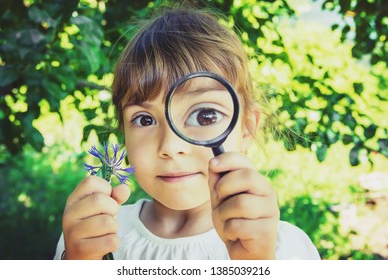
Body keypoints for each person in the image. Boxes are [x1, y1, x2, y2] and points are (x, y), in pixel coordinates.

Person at [54, 7, 320, 260]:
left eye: (205, 115)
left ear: (247, 128)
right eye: (145, 119)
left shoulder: (285, 248)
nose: (170, 145)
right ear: (124, 133)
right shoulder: (95, 235)